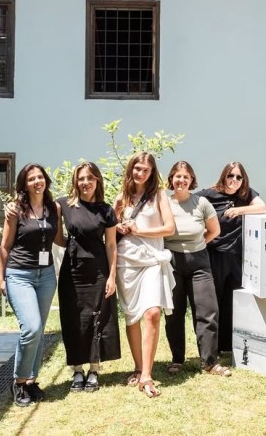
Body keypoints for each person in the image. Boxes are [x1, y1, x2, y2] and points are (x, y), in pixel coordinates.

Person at [113, 152, 176, 399]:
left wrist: (140, 230)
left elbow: (169, 228)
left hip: (151, 260)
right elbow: (111, 230)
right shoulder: (121, 198)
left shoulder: (158, 195)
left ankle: (147, 375)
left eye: (146, 170)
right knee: (132, 316)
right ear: (131, 169)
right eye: (137, 168)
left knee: (152, 313)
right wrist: (120, 227)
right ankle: (139, 367)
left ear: (152, 173)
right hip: (126, 262)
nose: (141, 173)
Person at [0, 163, 62, 407]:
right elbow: (5, 246)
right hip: (19, 274)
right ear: (24, 184)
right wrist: (1, 278)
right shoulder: (16, 210)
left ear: (46, 180)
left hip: (46, 276)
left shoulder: (54, 208)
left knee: (40, 329)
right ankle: (19, 382)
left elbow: (60, 239)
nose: (37, 181)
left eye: (40, 177)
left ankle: (31, 381)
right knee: (31, 327)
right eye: (32, 178)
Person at [57, 162, 121, 392]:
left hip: (99, 271)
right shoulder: (63, 205)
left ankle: (94, 369)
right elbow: (57, 237)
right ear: (76, 181)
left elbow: (111, 245)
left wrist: (112, 276)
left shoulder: (106, 210)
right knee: (73, 318)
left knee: (98, 318)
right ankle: (77, 370)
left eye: (90, 178)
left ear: (97, 181)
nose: (85, 182)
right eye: (81, 178)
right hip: (72, 271)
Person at [164, 161, 230, 376]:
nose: (181, 180)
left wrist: (199, 244)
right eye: (178, 176)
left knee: (207, 312)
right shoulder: (164, 203)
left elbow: (214, 230)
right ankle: (177, 359)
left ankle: (210, 362)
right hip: (172, 263)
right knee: (174, 313)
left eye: (186, 176)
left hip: (199, 263)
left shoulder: (201, 202)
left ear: (191, 180)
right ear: (171, 178)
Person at [197, 162, 266, 355]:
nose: (234, 180)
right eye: (230, 176)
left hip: (237, 256)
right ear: (224, 176)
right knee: (214, 302)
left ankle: (228, 346)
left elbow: (262, 207)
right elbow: (189, 203)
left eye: (238, 177)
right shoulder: (210, 194)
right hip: (215, 254)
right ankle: (212, 346)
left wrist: (240, 210)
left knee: (233, 301)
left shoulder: (245, 194)